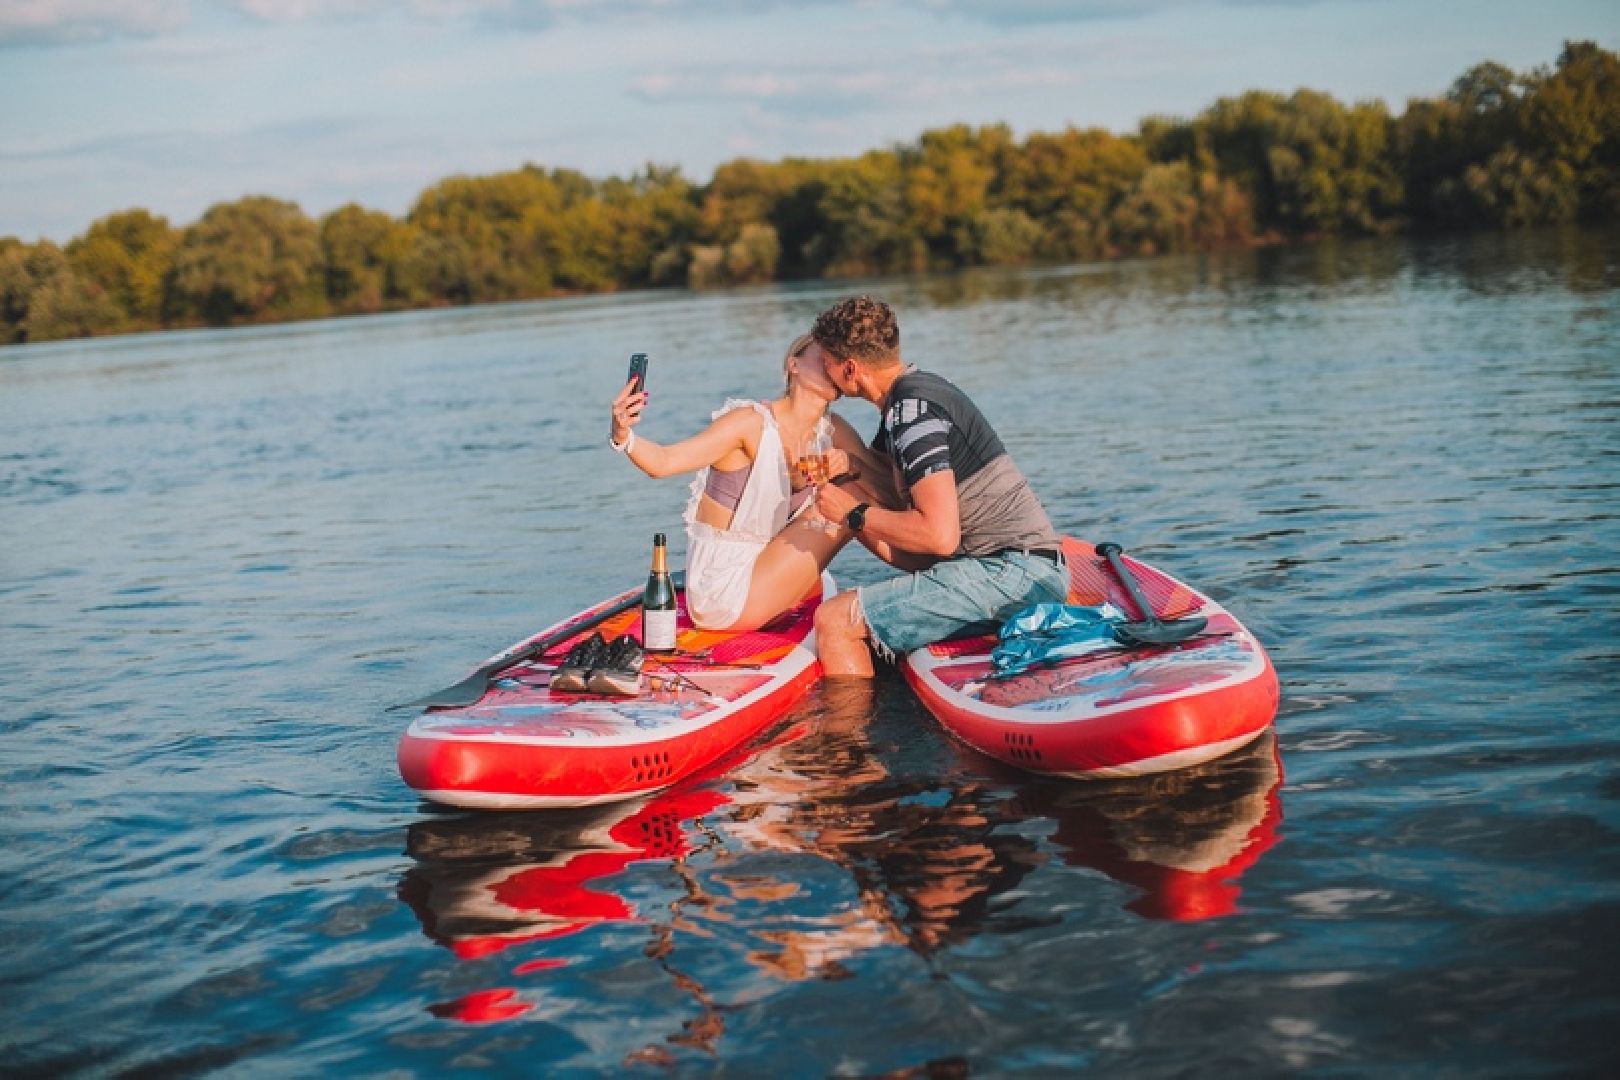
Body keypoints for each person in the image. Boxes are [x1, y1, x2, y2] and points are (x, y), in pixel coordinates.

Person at [806, 296, 1070, 676]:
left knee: (834, 620)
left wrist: (852, 514)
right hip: (1009, 567)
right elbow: (889, 502)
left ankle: (851, 736)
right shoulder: (910, 397)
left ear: (850, 368)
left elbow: (938, 537)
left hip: (1013, 575)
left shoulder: (912, 415)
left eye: (826, 362)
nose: (823, 370)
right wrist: (848, 474)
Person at [608, 333, 885, 633]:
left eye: (841, 360)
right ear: (793, 364)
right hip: (724, 587)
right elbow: (664, 462)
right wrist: (622, 435)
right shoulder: (749, 424)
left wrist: (851, 464)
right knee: (846, 503)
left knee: (856, 493)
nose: (833, 365)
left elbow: (885, 489)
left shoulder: (833, 430)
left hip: (767, 565)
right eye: (823, 357)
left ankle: (922, 579)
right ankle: (924, 582)